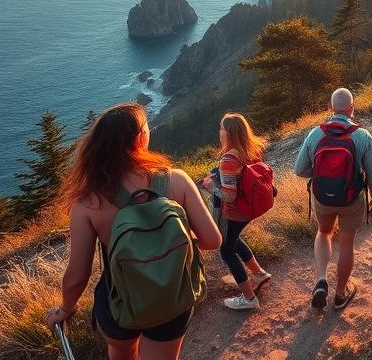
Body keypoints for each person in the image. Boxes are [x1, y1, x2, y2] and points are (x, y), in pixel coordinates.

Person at [44, 103, 222, 360]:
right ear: (140, 138)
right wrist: (171, 242)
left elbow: (77, 276)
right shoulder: (177, 180)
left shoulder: (88, 203)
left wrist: (65, 310)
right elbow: (212, 239)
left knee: (122, 352)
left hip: (120, 302)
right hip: (171, 296)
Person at [294, 87, 372, 310]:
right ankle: (340, 295)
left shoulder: (315, 134)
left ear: (331, 108)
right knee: (346, 244)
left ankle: (321, 279)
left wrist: (319, 177)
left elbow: (299, 169)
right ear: (352, 108)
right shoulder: (362, 135)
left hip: (322, 198)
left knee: (324, 232)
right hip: (351, 200)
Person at [202, 113, 273, 311]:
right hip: (250, 208)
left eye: (222, 128)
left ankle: (249, 298)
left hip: (236, 211)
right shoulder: (251, 150)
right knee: (234, 238)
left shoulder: (229, 160)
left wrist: (210, 186)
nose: (219, 131)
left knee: (226, 250)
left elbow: (230, 196)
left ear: (229, 133)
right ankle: (259, 273)